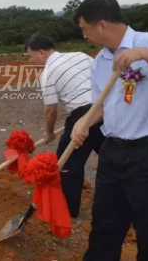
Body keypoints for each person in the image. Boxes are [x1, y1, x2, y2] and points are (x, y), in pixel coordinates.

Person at [71, 0, 148, 261]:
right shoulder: (100, 62)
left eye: (85, 29)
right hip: (112, 152)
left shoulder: (146, 42)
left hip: (146, 154)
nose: (84, 36)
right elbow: (101, 107)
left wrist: (143, 54)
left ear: (102, 25)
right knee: (105, 226)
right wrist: (84, 123)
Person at [25, 33, 104, 218]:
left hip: (82, 116)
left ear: (42, 53)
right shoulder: (80, 55)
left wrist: (49, 132)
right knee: (114, 157)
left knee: (67, 164)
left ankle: (68, 209)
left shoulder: (48, 73)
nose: (30, 61)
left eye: (30, 56)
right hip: (105, 110)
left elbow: (50, 111)